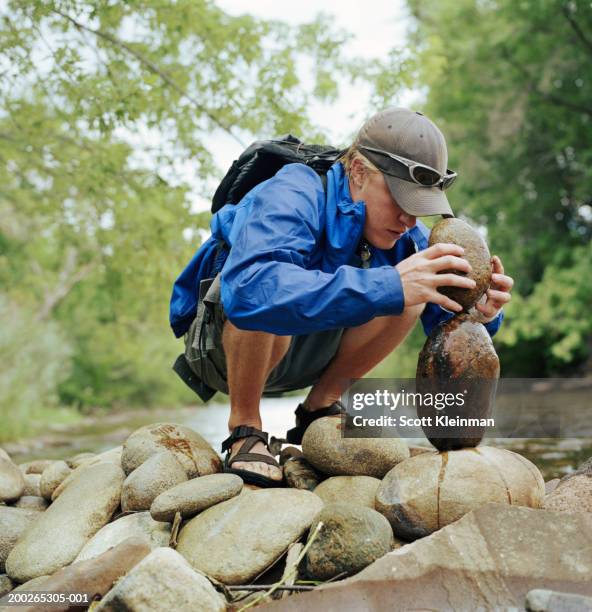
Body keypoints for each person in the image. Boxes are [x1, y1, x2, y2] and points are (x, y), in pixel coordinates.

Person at [169, 107, 513, 487]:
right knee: (269, 288)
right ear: (359, 171)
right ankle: (245, 427)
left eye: (419, 207)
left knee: (413, 292)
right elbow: (250, 293)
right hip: (224, 350)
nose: (409, 220)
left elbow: (446, 322)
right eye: (400, 200)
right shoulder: (293, 190)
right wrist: (389, 284)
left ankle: (317, 411)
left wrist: (479, 312)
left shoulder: (404, 237)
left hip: (307, 354)